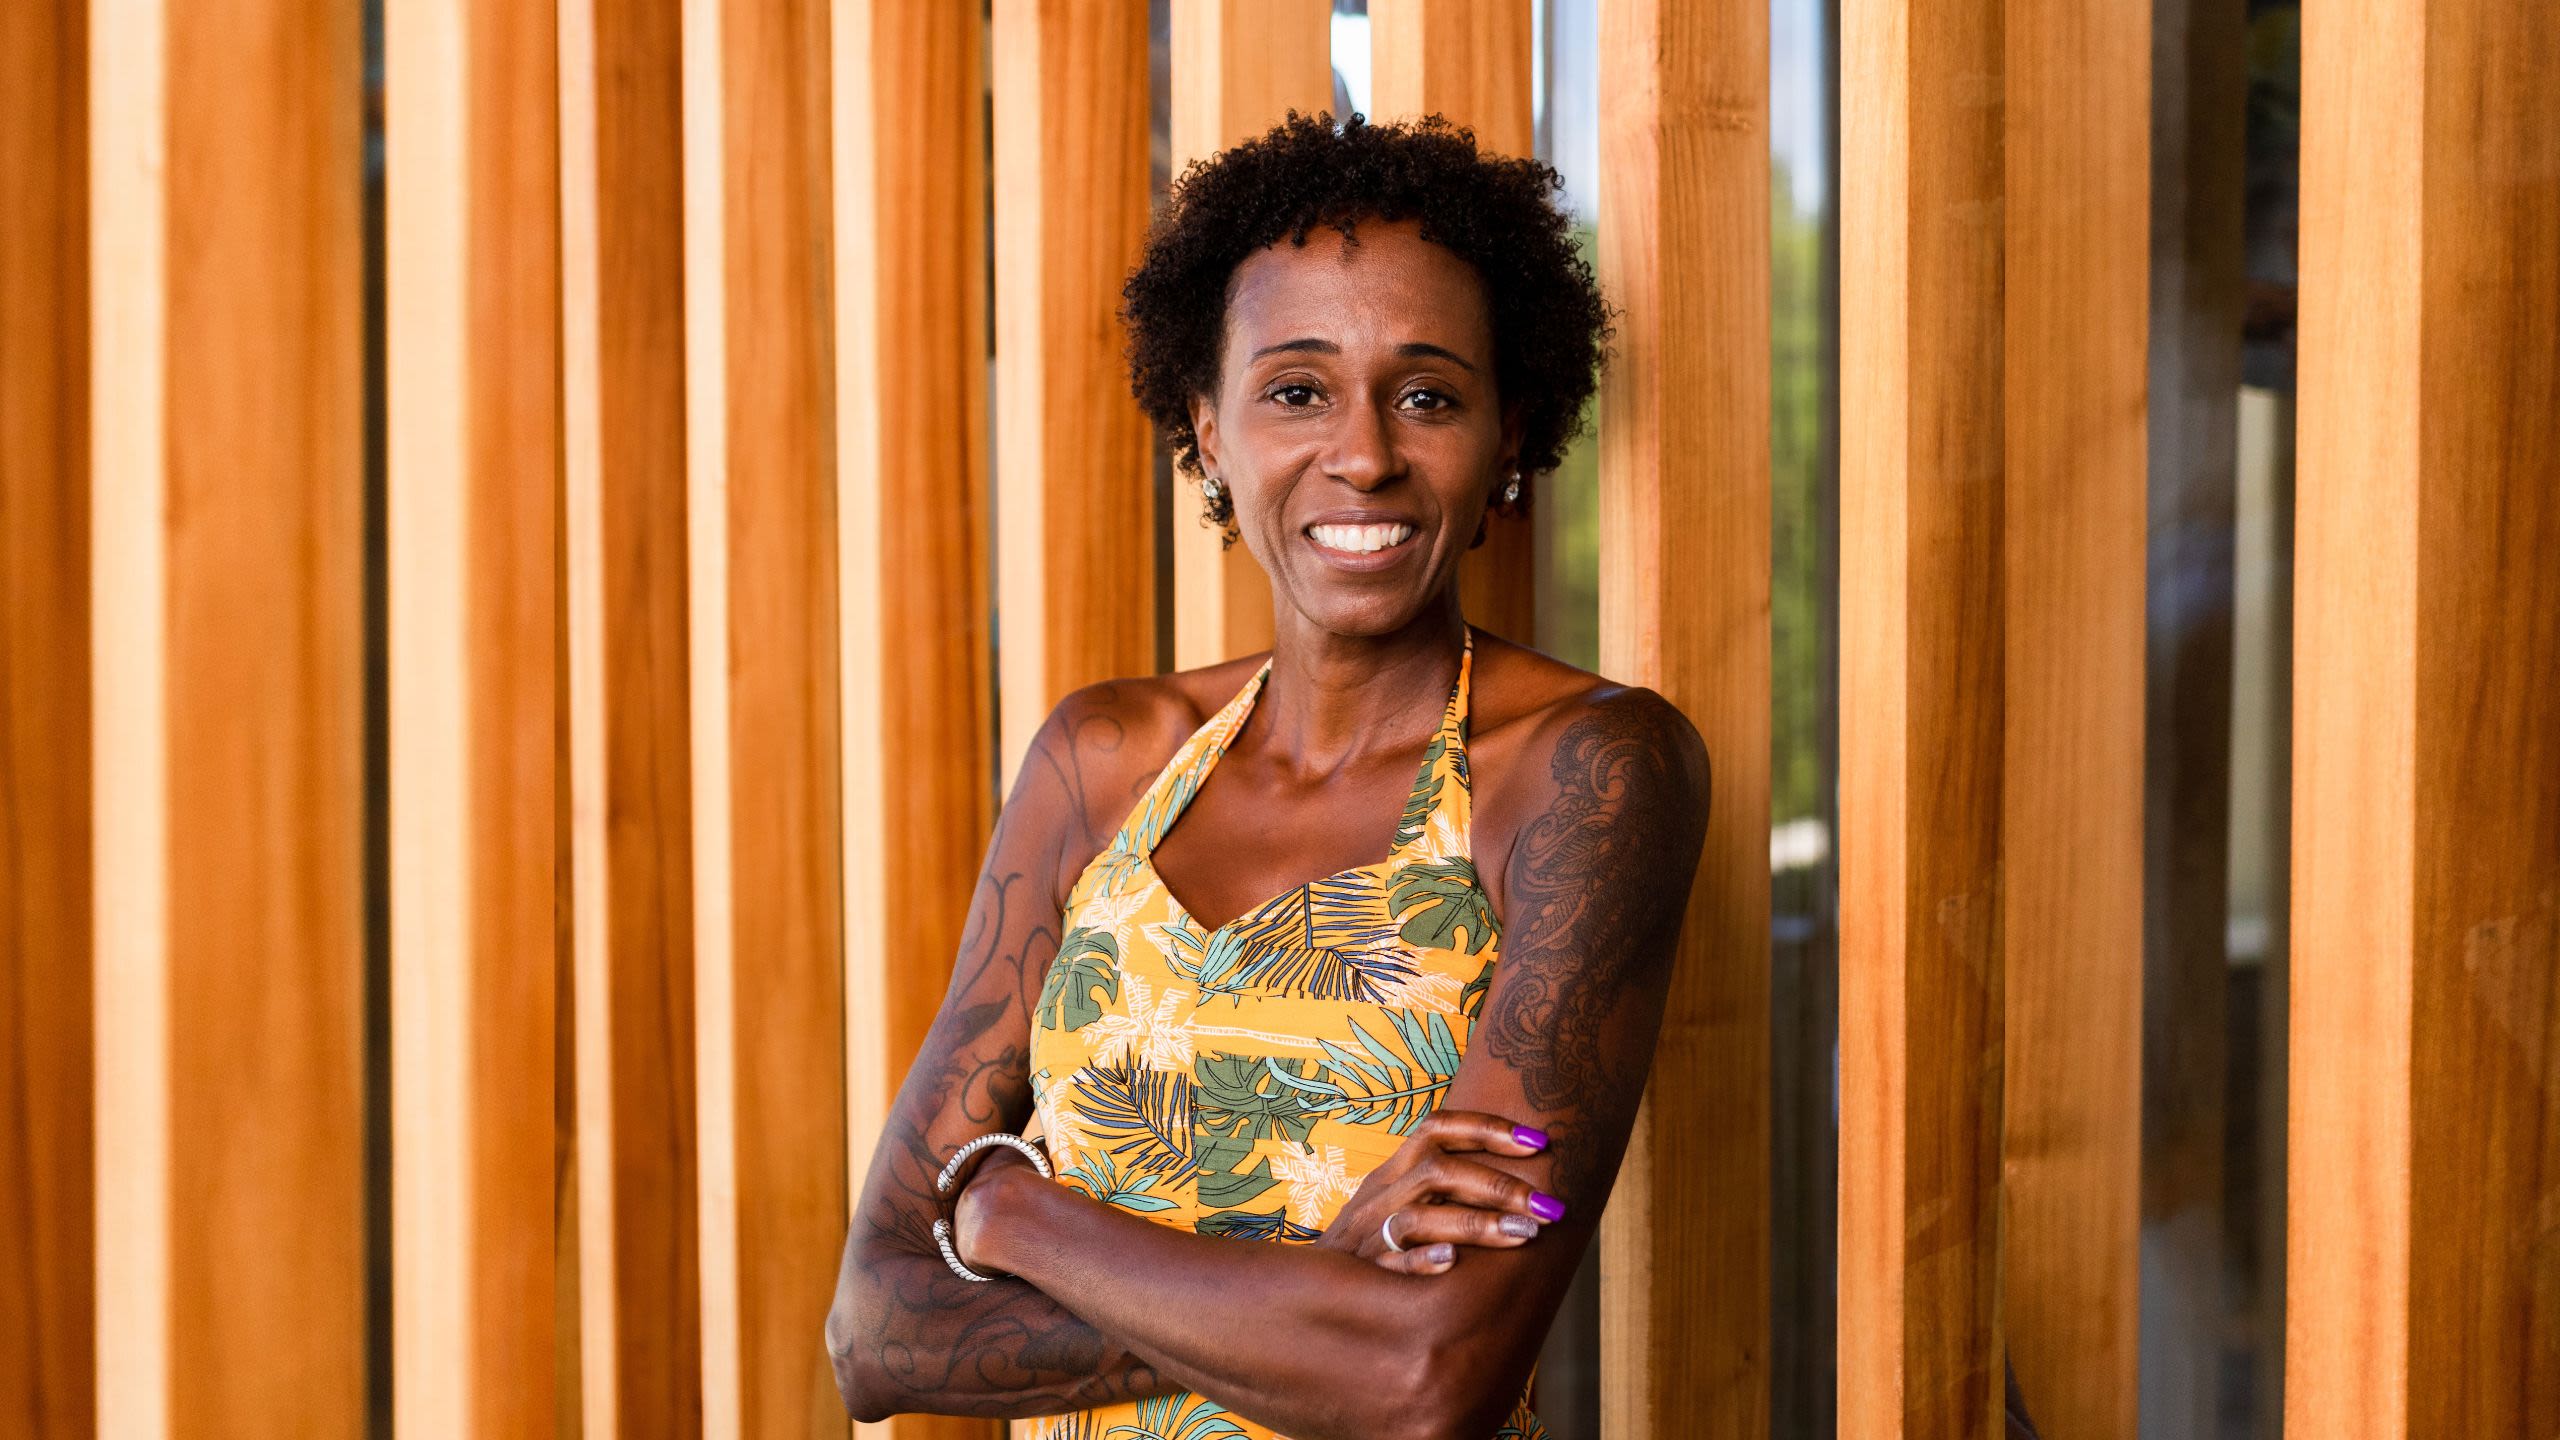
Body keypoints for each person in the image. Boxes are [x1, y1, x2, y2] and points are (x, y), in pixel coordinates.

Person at [826, 111, 1708, 1440]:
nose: (1364, 454)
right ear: (1208, 429)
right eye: (1297, 391)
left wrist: (1013, 1216)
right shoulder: (1105, 762)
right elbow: (876, 1333)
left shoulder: (1587, 774)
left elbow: (1426, 1380)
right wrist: (1319, 1292)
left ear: (1507, 436)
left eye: (1428, 395)